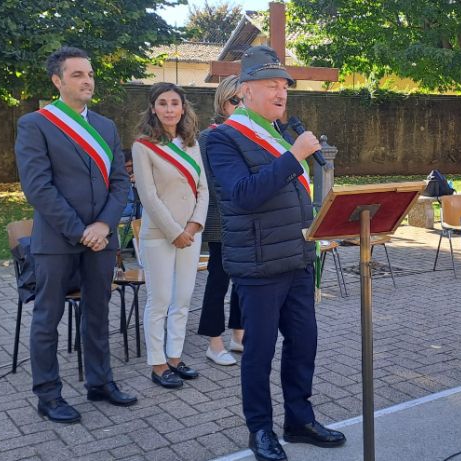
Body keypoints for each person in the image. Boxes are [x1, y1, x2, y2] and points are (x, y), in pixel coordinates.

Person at [206, 45, 346, 461]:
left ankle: (299, 421)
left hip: (298, 258)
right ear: (245, 91)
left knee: (304, 344)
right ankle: (260, 430)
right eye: (270, 85)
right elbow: (244, 195)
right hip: (258, 264)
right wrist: (295, 155)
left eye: (284, 85)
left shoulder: (280, 133)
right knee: (259, 352)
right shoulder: (221, 138)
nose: (281, 92)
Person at [14, 46, 135, 424]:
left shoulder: (105, 126)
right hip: (57, 241)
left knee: (97, 314)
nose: (87, 81)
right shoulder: (35, 124)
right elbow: (38, 187)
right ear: (57, 80)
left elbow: (120, 182)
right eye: (78, 74)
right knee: (47, 319)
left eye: (91, 74)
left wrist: (104, 226)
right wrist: (81, 231)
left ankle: (100, 382)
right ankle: (48, 395)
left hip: (101, 239)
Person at [131, 82, 208, 389]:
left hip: (191, 233)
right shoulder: (142, 146)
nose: (169, 109)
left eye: (174, 103)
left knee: (183, 298)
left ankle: (175, 357)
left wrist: (193, 226)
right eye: (162, 103)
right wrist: (175, 232)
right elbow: (148, 196)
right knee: (160, 299)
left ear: (183, 107)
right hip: (158, 234)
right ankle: (158, 363)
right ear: (153, 108)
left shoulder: (192, 143)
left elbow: (203, 189)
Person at [198, 75, 245, 367]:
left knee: (243, 279)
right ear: (222, 103)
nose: (240, 106)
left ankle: (238, 335)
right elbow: (207, 182)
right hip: (220, 219)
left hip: (245, 219)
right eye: (234, 100)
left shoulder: (250, 133)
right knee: (218, 280)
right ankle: (214, 343)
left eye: (245, 100)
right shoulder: (209, 136)